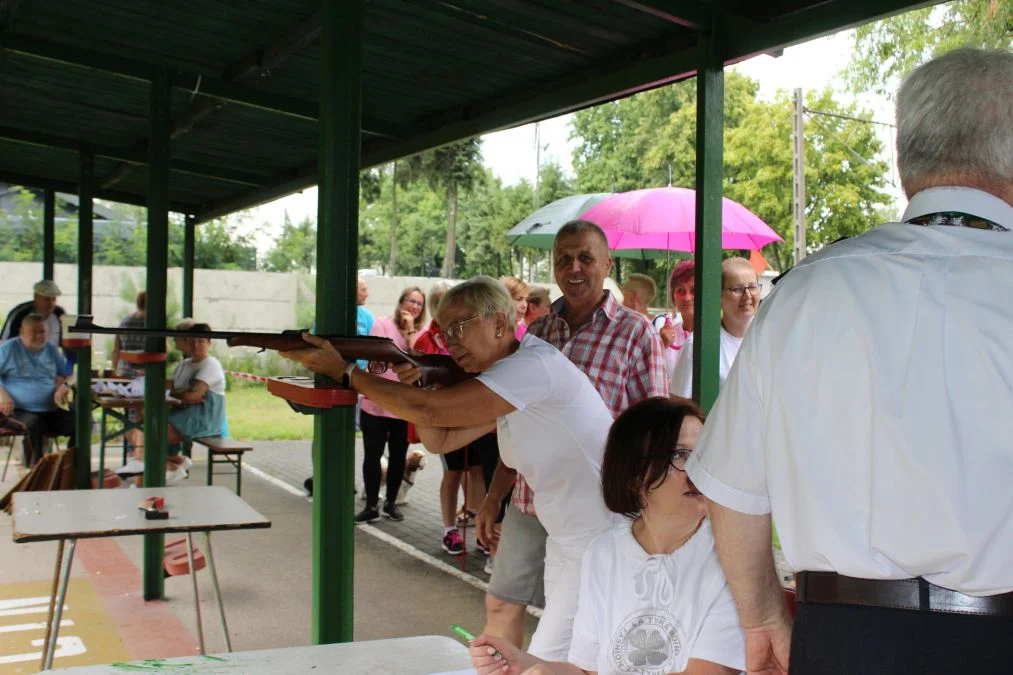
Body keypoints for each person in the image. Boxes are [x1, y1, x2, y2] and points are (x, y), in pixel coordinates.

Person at [687, 48, 1013, 675]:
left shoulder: (806, 291)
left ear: (905, 160)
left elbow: (731, 489)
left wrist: (761, 619)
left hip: (846, 640)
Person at [284, 276, 618, 659]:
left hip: (598, 541)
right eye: (444, 332)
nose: (450, 342)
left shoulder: (533, 366)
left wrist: (347, 372)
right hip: (567, 540)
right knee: (558, 660)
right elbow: (438, 440)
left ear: (498, 322)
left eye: (459, 327)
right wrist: (424, 390)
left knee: (550, 661)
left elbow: (429, 412)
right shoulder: (510, 377)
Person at [474, 220, 668, 651]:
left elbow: (654, 431)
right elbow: (514, 419)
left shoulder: (635, 332)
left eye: (585, 257)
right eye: (564, 258)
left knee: (583, 622)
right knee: (502, 605)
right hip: (530, 500)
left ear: (607, 264)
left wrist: (650, 510)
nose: (574, 267)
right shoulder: (539, 332)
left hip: (595, 508)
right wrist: (493, 498)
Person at [469, 398, 745, 675]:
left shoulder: (734, 557)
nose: (699, 470)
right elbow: (586, 669)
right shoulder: (604, 552)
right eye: (680, 455)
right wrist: (524, 663)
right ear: (634, 474)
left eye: (704, 455)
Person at [414, 282, 489, 556]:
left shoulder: (465, 333)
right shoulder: (425, 339)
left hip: (472, 413)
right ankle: (449, 529)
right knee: (453, 472)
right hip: (447, 418)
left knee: (478, 471)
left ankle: (481, 527)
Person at [119, 323, 225, 483]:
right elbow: (173, 388)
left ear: (209, 343)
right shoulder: (185, 364)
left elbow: (191, 395)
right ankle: (173, 463)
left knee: (149, 431)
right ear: (187, 342)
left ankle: (152, 467)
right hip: (183, 414)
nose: (196, 345)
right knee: (133, 429)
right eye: (192, 341)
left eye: (201, 341)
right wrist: (181, 394)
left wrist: (181, 394)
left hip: (203, 420)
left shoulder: (211, 365)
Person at [356, 286, 427, 523]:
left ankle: (391, 502)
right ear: (401, 301)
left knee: (398, 455)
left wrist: (409, 330)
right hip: (376, 401)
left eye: (419, 303)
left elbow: (417, 355)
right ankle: (371, 504)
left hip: (403, 403)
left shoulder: (420, 332)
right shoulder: (382, 323)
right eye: (411, 301)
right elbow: (376, 354)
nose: (414, 306)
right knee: (372, 454)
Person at [669, 257, 758, 399]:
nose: (747, 295)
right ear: (719, 296)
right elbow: (678, 405)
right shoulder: (697, 346)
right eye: (737, 289)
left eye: (753, 287)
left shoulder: (770, 339)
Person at [0, 314, 76, 468]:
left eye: (42, 332)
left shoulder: (51, 350)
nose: (39, 336)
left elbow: (68, 375)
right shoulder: (9, 348)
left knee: (79, 422)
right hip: (16, 410)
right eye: (33, 332)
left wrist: (64, 386)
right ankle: (35, 472)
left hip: (49, 410)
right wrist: (3, 394)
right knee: (34, 424)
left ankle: (71, 467)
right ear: (22, 331)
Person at [0, 280, 74, 374]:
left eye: (54, 299)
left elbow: (67, 346)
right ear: (36, 298)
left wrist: (68, 370)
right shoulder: (20, 315)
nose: (51, 304)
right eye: (46, 300)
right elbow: (4, 345)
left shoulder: (59, 314)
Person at [110, 291, 147, 378]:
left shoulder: (125, 321)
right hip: (147, 374)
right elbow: (165, 349)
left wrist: (114, 371)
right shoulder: (154, 323)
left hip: (125, 372)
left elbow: (116, 350)